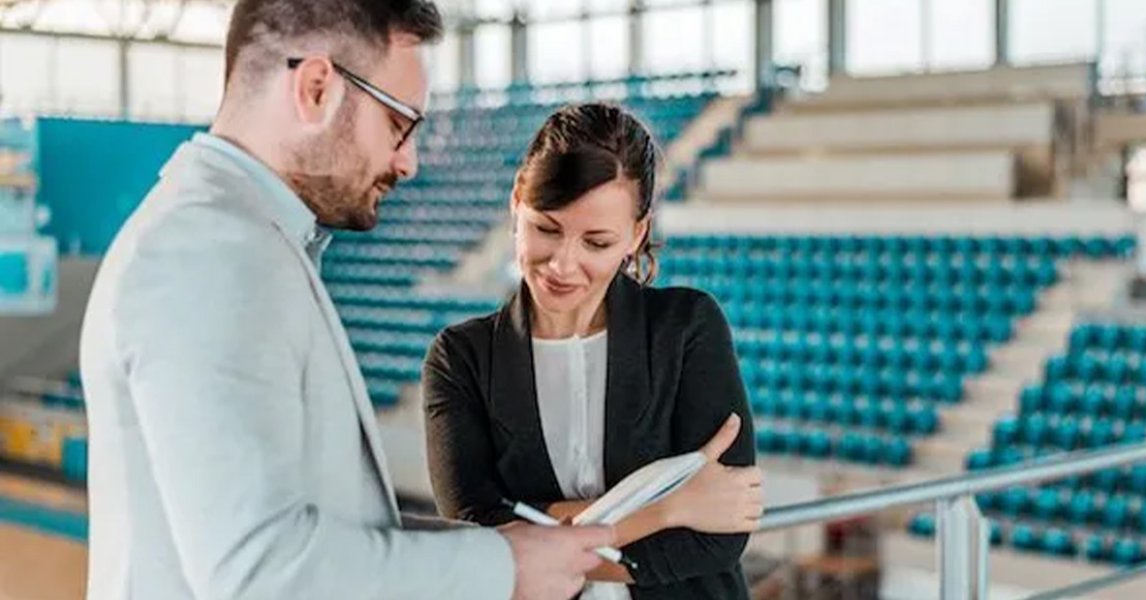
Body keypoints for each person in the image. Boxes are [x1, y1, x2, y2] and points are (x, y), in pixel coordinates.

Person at [78, 1, 611, 598]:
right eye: (399, 124)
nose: (407, 162)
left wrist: (510, 550)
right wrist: (504, 570)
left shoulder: (238, 239)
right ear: (315, 89)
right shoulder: (210, 253)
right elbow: (261, 576)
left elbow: (314, 533)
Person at [422, 103, 764, 599]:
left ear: (636, 235)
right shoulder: (461, 358)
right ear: (517, 201)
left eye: (596, 242)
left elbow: (720, 536)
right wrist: (668, 509)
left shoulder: (686, 327)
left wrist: (538, 539)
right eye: (546, 229)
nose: (563, 264)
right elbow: (479, 535)